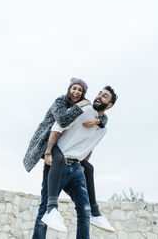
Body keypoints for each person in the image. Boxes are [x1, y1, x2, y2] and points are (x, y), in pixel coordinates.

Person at [32, 86, 118, 239]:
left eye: (104, 96)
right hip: (58, 164)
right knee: (45, 210)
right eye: (99, 93)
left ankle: (95, 213)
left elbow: (89, 147)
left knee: (85, 212)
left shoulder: (102, 128)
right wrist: (48, 152)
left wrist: (83, 164)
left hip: (76, 167)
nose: (99, 96)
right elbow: (58, 125)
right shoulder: (83, 110)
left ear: (109, 105)